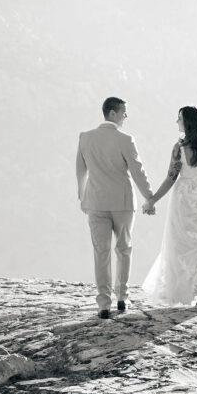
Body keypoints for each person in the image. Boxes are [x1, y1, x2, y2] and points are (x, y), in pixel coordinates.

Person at [141, 106, 197, 311]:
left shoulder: (178, 148)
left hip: (183, 205)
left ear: (187, 122)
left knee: (179, 247)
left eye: (179, 118)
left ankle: (179, 293)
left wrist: (152, 200)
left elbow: (171, 178)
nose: (176, 122)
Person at [76, 96, 156, 319]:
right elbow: (138, 171)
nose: (125, 116)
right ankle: (122, 297)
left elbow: (80, 171)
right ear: (112, 113)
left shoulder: (85, 138)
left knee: (100, 253)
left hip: (95, 202)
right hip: (122, 202)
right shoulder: (125, 139)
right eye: (123, 112)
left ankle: (103, 304)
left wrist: (82, 196)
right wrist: (149, 197)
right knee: (123, 248)